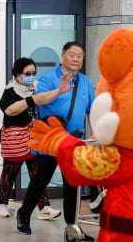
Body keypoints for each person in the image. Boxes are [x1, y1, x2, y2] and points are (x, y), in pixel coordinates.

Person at [16, 42, 95, 241]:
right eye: (72, 55)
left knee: (72, 186)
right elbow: (40, 99)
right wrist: (59, 91)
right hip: (51, 139)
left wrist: (95, 132)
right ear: (63, 56)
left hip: (73, 141)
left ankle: (72, 227)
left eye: (79, 56)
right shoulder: (49, 78)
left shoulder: (85, 82)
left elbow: (92, 110)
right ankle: (23, 214)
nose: (76, 59)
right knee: (40, 180)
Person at [0, 57, 73, 219]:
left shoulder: (36, 88)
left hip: (33, 138)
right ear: (17, 74)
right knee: (10, 173)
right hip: (16, 139)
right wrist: (30, 100)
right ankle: (1, 203)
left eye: (33, 73)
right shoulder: (10, 90)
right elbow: (9, 110)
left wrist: (59, 91)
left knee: (38, 173)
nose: (31, 76)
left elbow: (46, 99)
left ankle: (44, 207)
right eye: (27, 73)